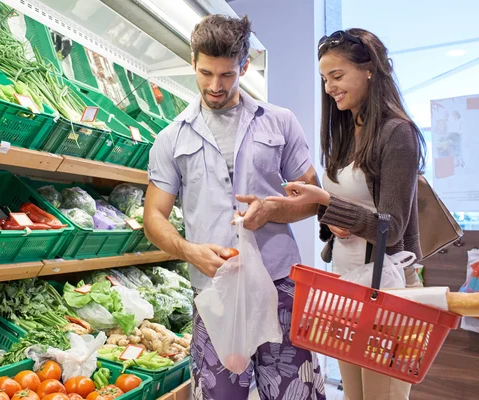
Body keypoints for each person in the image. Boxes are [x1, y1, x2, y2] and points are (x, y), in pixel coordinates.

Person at [143, 14, 326, 400]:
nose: (215, 85)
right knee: (219, 395)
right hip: (215, 292)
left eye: (227, 74)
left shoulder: (279, 122)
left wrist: (273, 210)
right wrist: (189, 251)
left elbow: (314, 197)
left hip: (279, 285)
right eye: (206, 72)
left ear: (244, 65)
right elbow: (153, 218)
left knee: (297, 392)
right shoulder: (170, 138)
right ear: (193, 62)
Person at [265, 28, 427, 400]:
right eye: (324, 79)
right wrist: (328, 219)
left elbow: (393, 227)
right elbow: (347, 213)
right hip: (347, 283)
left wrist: (325, 202)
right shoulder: (346, 131)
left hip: (389, 290)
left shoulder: (397, 133)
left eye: (337, 77)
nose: (329, 88)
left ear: (369, 69)